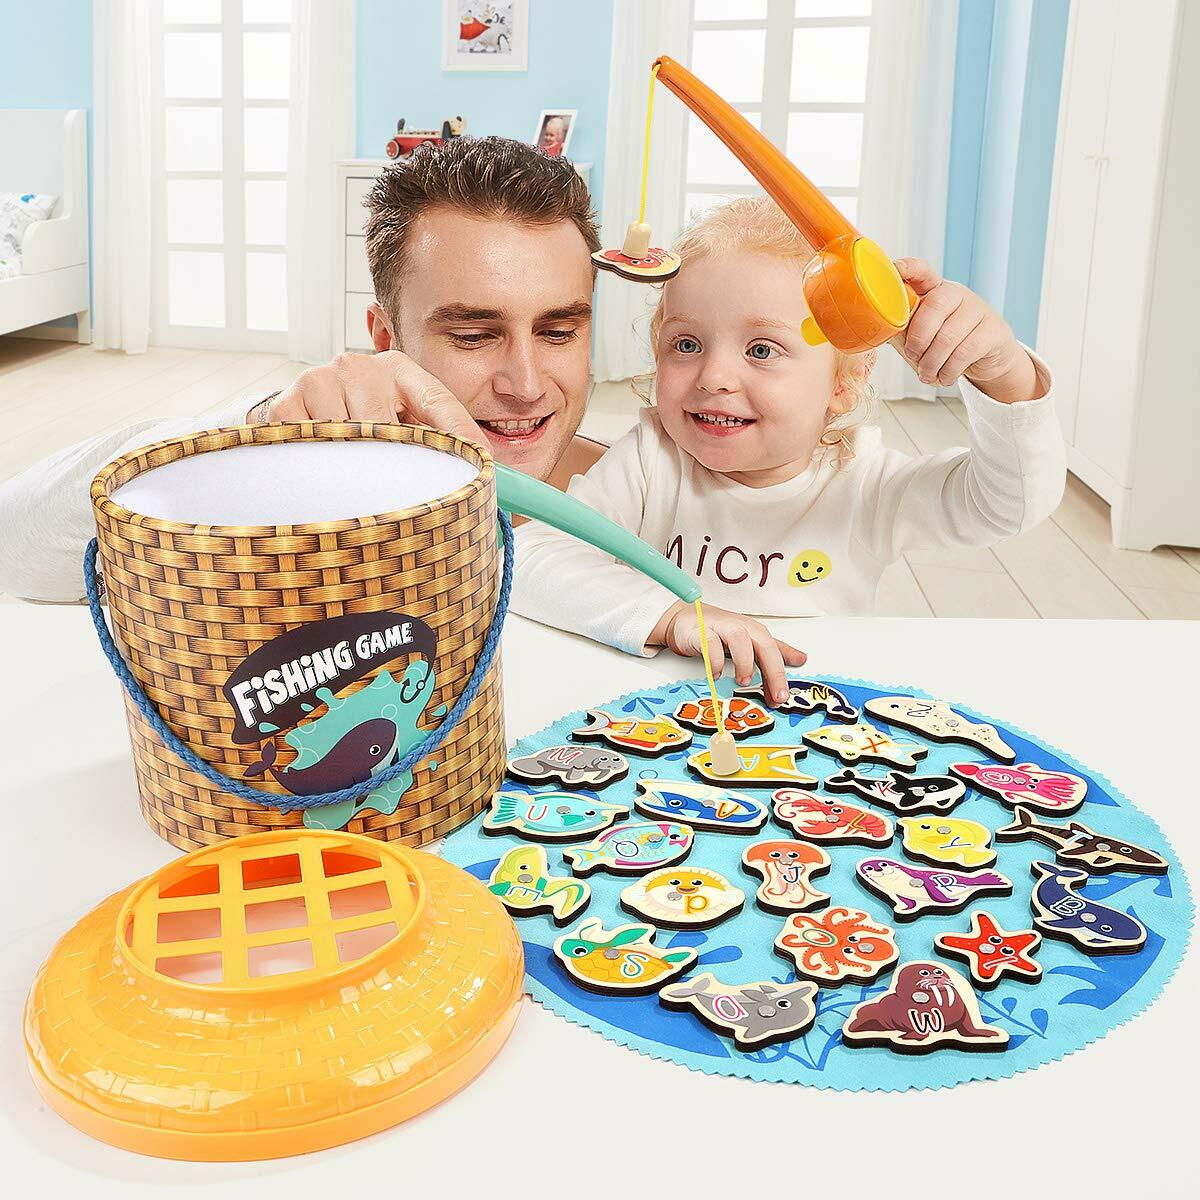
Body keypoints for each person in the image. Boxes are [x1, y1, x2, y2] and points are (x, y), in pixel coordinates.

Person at [511, 197, 1067, 703]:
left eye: (761, 349)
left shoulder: (866, 484)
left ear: (844, 382)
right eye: (687, 344)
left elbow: (1008, 504)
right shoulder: (651, 459)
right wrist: (671, 617)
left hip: (818, 720)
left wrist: (1004, 374)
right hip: (659, 712)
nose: (714, 375)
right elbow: (531, 559)